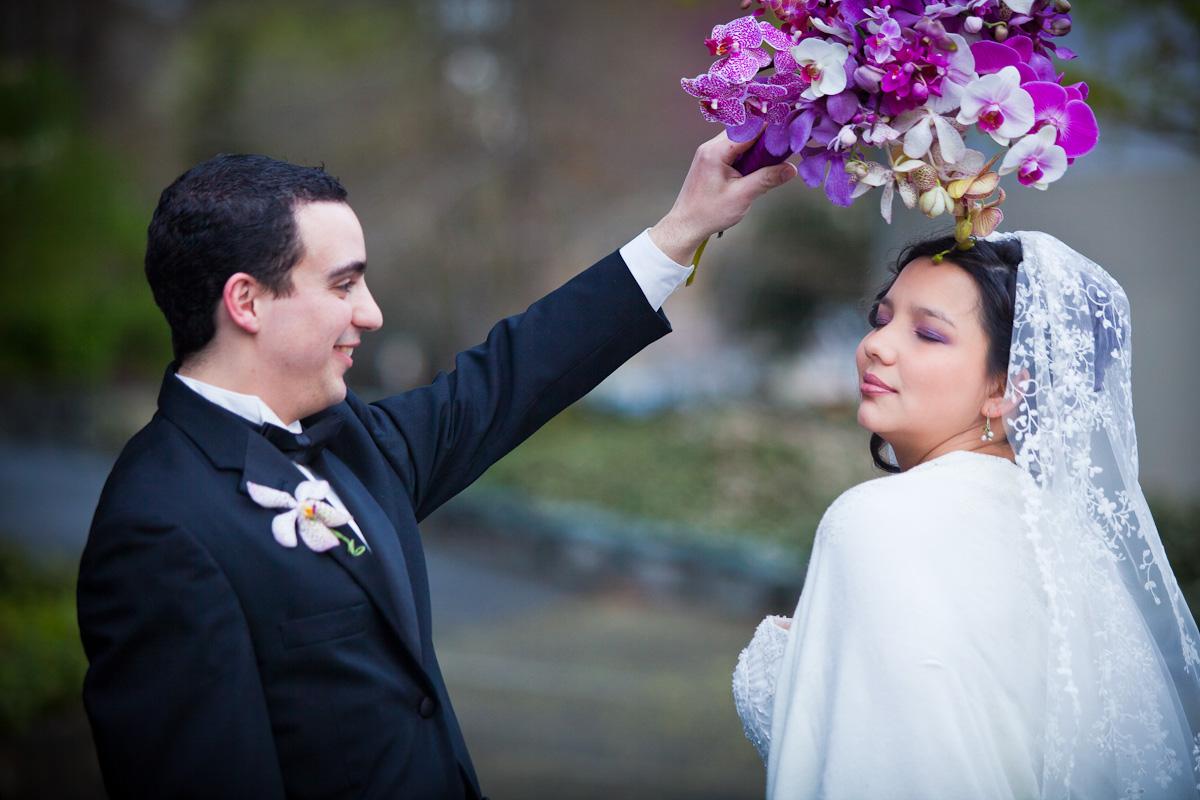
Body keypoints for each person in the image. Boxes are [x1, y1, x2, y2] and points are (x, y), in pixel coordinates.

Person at [76, 132, 798, 800]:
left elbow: (510, 377)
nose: (371, 313)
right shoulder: (157, 531)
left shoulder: (352, 439)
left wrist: (682, 230)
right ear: (247, 301)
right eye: (343, 284)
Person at [732, 231, 1200, 799]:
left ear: (1005, 388)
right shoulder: (1067, 541)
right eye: (883, 319)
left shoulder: (879, 523)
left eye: (928, 333)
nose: (877, 345)